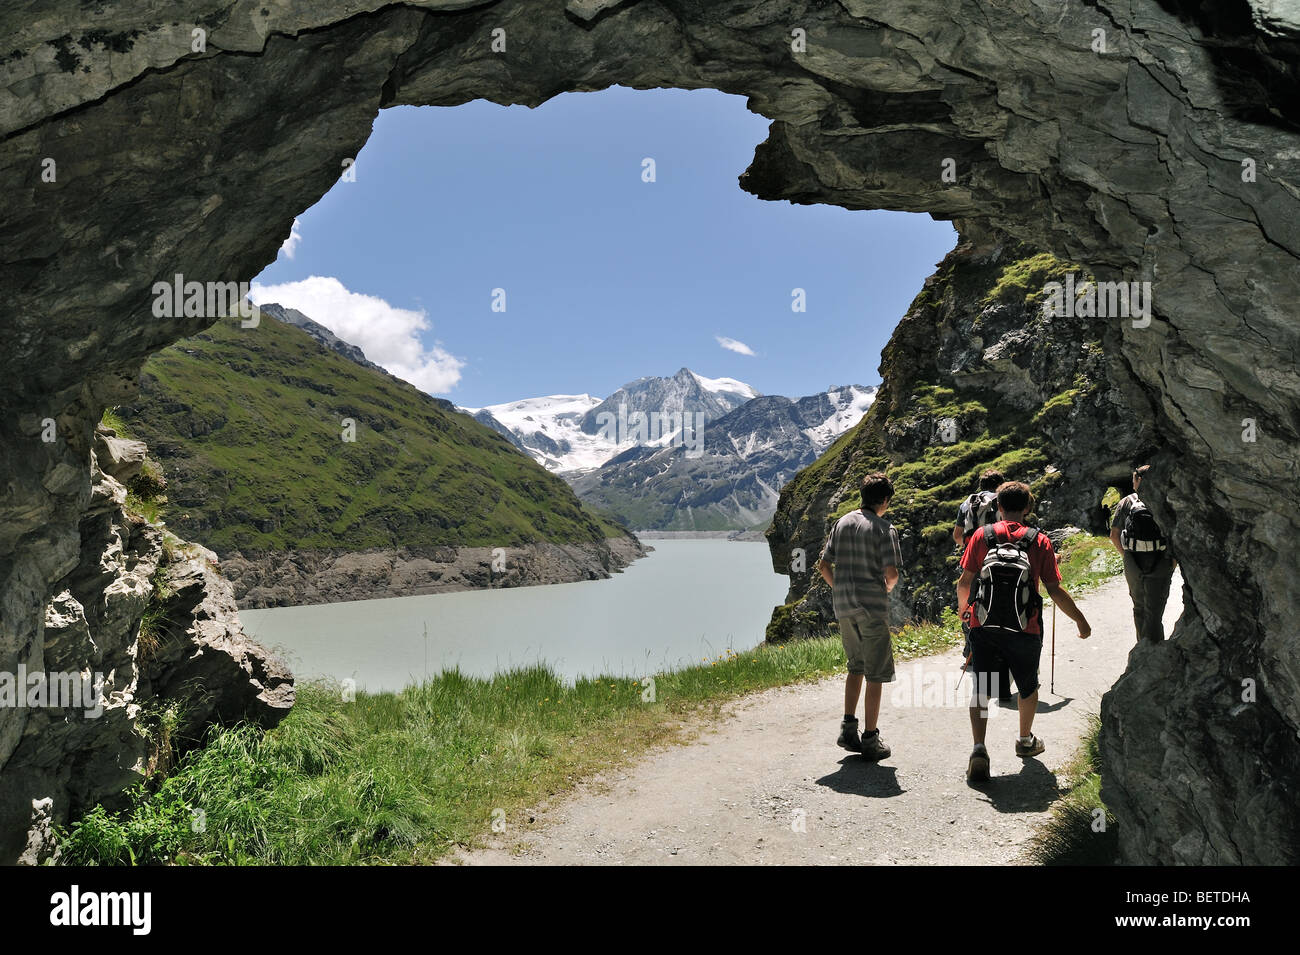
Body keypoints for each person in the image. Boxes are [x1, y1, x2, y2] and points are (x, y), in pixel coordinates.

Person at [956, 481, 1091, 782]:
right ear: (1028, 507)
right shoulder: (1039, 541)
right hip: (1025, 627)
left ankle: (979, 748)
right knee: (1028, 686)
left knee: (982, 688)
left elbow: (965, 580)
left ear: (999, 507)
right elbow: (1054, 589)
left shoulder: (982, 535)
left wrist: (966, 611)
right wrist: (1080, 620)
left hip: (984, 624)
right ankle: (1024, 740)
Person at [818, 472, 903, 761]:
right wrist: (886, 588)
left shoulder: (842, 522)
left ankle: (847, 728)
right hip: (871, 606)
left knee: (855, 666)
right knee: (876, 672)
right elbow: (891, 574)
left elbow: (823, 565)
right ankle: (870, 738)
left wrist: (839, 588)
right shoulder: (884, 528)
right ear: (885, 501)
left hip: (843, 606)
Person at [953, 469, 1013, 703]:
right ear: (1000, 485)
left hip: (974, 558)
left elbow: (957, 535)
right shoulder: (1001, 501)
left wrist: (970, 546)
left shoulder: (968, 503)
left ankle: (971, 651)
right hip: (1000, 557)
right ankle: (1001, 654)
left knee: (972, 600)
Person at [1110, 465, 1175, 643]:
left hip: (1133, 560)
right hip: (1160, 558)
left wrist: (1126, 557)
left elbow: (1114, 535)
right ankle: (1155, 649)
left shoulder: (1126, 502)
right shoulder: (1165, 501)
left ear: (1138, 480)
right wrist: (1173, 561)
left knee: (1139, 607)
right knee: (1155, 611)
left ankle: (1142, 647)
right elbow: (1176, 533)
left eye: (1134, 479)